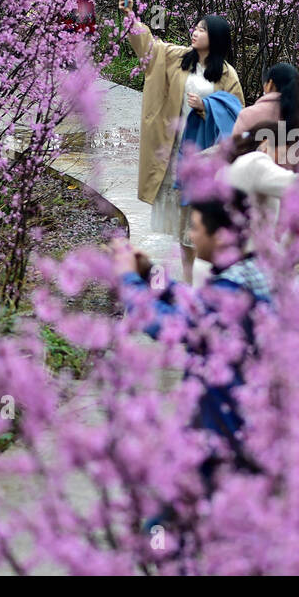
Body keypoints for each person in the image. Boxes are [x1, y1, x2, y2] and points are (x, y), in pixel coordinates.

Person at [112, 194, 269, 491]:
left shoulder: (228, 296)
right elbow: (195, 307)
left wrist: (128, 281)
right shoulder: (247, 274)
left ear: (221, 236)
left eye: (196, 227)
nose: (192, 235)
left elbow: (167, 325)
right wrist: (149, 274)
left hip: (226, 433)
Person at [120, 0, 244, 284]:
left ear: (215, 38)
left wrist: (206, 107)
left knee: (197, 215)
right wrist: (131, 17)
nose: (195, 32)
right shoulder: (176, 57)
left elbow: (236, 113)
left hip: (204, 153)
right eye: (196, 28)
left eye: (202, 29)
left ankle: (206, 275)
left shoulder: (226, 75)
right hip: (175, 148)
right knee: (180, 214)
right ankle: (187, 275)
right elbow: (148, 48)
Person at [231, 62, 299, 172]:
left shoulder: (247, 115)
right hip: (294, 185)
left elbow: (235, 149)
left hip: (253, 184)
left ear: (270, 83)